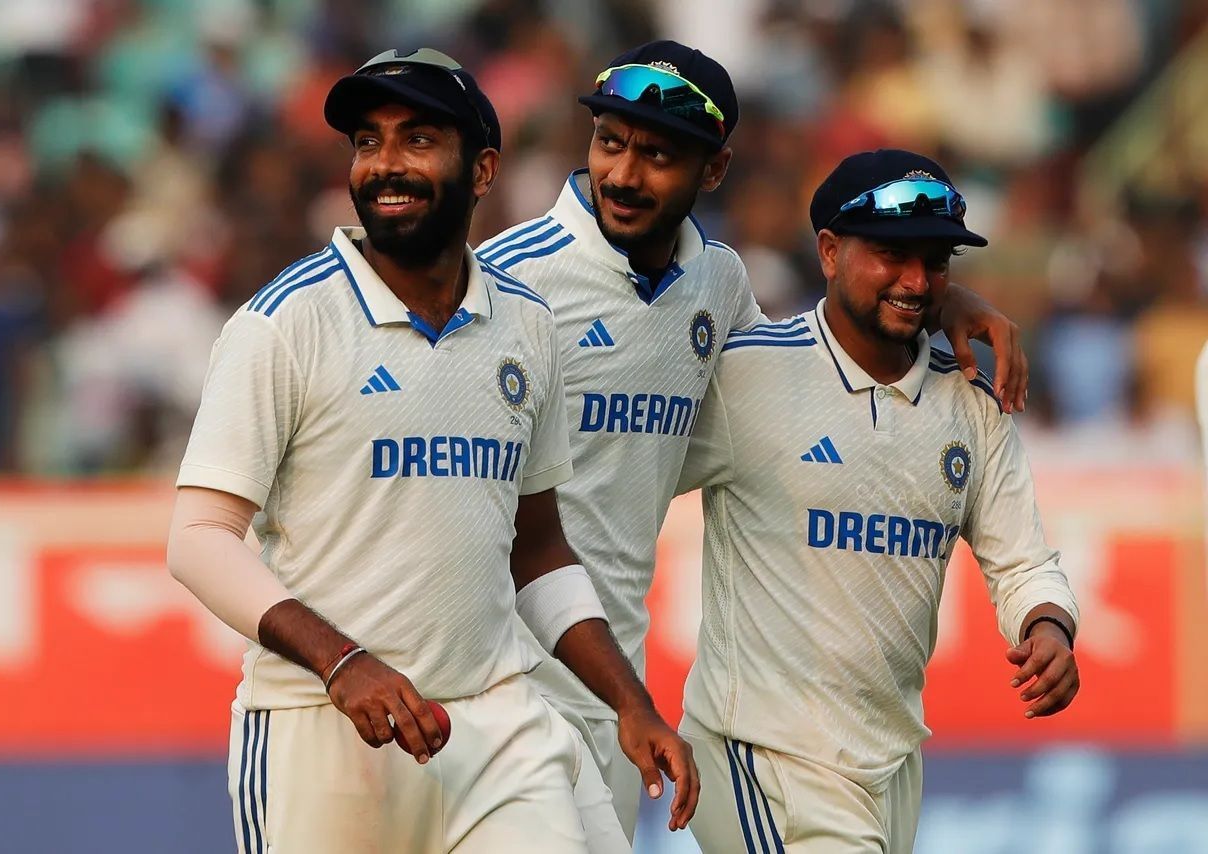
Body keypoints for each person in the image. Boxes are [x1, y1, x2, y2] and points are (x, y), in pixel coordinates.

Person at [476, 40, 1031, 841]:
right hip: (497, 672)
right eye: (610, 143)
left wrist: (932, 296)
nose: (624, 175)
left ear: (713, 172)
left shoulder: (719, 284)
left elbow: (807, 377)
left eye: (658, 155)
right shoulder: (505, 281)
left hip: (608, 681)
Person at [166, 47, 695, 854]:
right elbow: (198, 541)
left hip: (495, 722)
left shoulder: (524, 323)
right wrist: (343, 664)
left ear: (482, 170)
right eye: (367, 142)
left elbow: (540, 551)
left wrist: (630, 701)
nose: (385, 165)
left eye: (417, 140)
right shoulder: (284, 323)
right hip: (322, 727)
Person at [676, 148, 1081, 853]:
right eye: (892, 254)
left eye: (937, 261)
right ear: (829, 252)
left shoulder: (972, 401)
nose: (917, 280)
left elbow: (1022, 562)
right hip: (757, 753)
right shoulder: (747, 373)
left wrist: (1049, 627)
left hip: (891, 764)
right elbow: (620, 481)